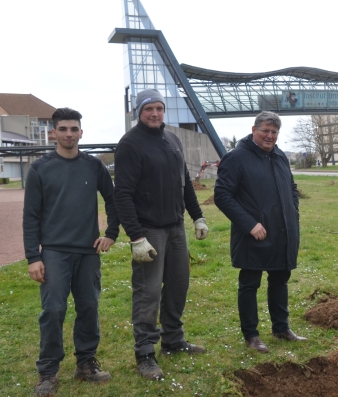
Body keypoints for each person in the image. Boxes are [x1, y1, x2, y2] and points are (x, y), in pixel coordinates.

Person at [113, 88, 209, 380]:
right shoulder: (130, 144)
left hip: (176, 226)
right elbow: (123, 194)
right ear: (139, 113)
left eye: (159, 108)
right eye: (148, 109)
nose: (155, 113)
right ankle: (145, 353)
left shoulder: (172, 139)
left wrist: (198, 216)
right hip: (149, 230)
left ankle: (173, 340)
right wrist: (135, 237)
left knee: (179, 285)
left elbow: (186, 184)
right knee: (148, 292)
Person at [23, 108, 119, 396]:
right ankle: (48, 372)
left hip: (88, 251)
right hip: (53, 252)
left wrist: (111, 234)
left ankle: (86, 364)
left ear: (81, 132)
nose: (68, 134)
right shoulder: (40, 168)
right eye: (62, 129)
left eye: (73, 129)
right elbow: (31, 216)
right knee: (53, 311)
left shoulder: (93, 165)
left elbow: (113, 200)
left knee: (89, 307)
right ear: (53, 132)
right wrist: (33, 257)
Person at [214, 111, 305, 353]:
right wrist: (249, 224)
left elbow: (291, 187)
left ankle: (281, 327)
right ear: (253, 130)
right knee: (249, 283)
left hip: (282, 232)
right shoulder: (236, 158)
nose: (270, 136)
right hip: (254, 233)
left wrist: (292, 215)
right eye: (265, 130)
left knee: (279, 280)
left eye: (274, 132)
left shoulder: (279, 156)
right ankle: (251, 335)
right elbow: (222, 196)